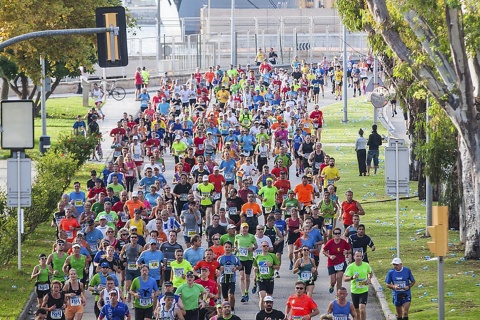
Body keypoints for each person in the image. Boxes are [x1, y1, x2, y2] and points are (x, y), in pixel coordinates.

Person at [344, 251, 373, 320]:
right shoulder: (351, 267)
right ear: (354, 257)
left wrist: (369, 279)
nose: (359, 258)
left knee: (362, 309)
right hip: (355, 291)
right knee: (357, 312)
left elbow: (370, 273)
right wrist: (352, 277)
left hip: (364, 290)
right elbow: (345, 279)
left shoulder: (366, 265)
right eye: (357, 256)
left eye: (360, 256)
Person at [252, 240, 280, 310]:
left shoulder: (272, 256)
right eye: (264, 246)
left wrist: (272, 266)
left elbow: (278, 267)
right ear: (261, 247)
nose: (266, 247)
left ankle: (268, 312)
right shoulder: (257, 257)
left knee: (269, 299)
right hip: (261, 279)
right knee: (262, 297)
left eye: (267, 246)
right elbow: (255, 266)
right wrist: (255, 270)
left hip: (270, 279)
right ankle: (261, 313)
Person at [322, 227, 351, 294]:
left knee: (339, 278)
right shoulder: (330, 242)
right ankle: (332, 285)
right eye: (335, 233)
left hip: (341, 262)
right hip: (332, 263)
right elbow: (323, 251)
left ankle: (338, 294)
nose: (337, 235)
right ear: (333, 234)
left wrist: (346, 252)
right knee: (333, 281)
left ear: (340, 234)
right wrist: (330, 256)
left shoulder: (343, 242)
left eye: (338, 233)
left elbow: (350, 250)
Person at [217, 241, 242, 312]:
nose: (227, 248)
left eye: (229, 247)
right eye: (226, 247)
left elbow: (240, 266)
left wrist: (236, 268)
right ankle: (226, 310)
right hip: (223, 279)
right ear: (223, 248)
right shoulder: (220, 258)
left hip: (232, 280)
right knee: (225, 298)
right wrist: (220, 269)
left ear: (231, 248)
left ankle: (232, 308)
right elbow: (217, 268)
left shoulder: (235, 257)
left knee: (231, 295)